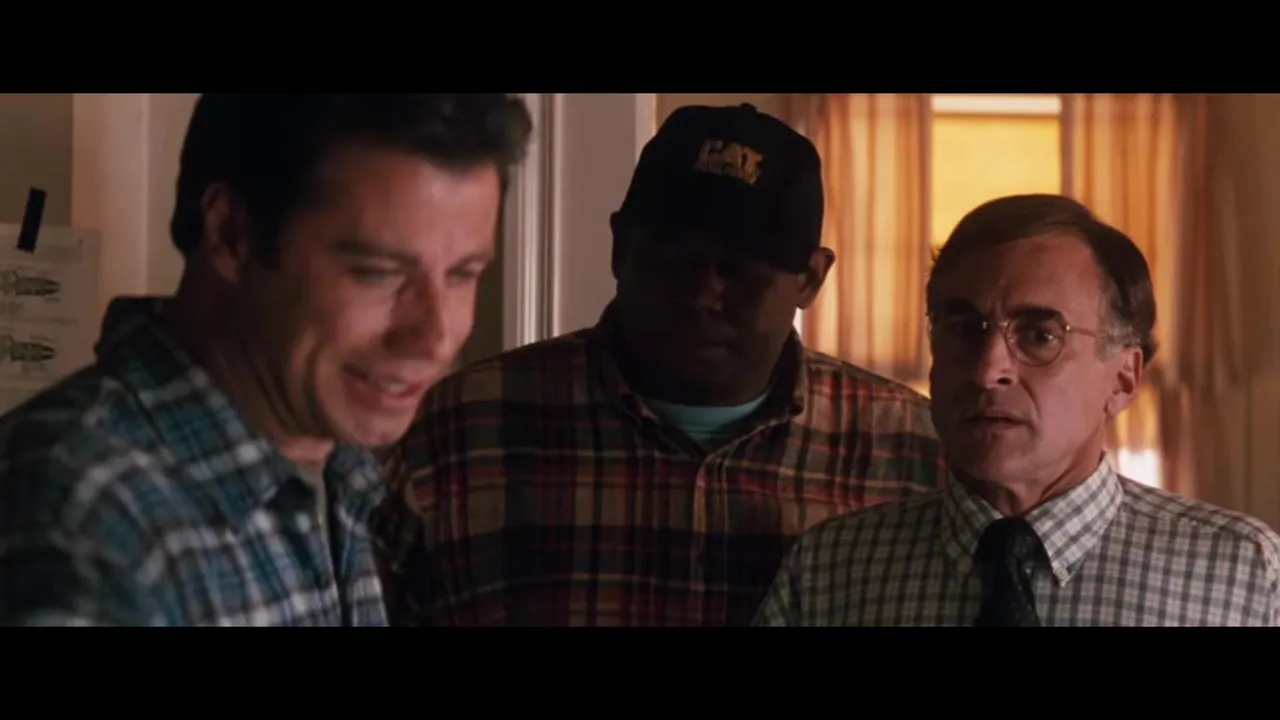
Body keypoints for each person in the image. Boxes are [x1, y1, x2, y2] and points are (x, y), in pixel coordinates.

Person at [373, 102, 948, 627]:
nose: (702, 295)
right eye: (672, 261)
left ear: (811, 279)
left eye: (742, 273)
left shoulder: (911, 453)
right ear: (620, 248)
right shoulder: (457, 434)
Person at [0, 94, 532, 626]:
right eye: (377, 272)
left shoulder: (341, 472)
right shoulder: (83, 511)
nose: (435, 337)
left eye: (463, 274)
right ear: (233, 236)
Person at [754, 193, 1280, 627]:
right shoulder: (829, 570)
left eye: (1040, 336)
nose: (988, 370)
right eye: (964, 329)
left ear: (1123, 378)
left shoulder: (1242, 575)